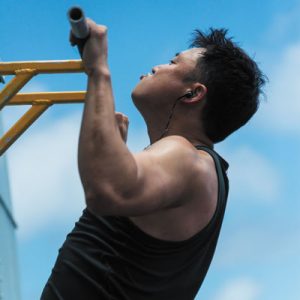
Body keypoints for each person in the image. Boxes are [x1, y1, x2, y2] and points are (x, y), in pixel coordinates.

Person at [41, 18, 265, 300]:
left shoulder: (187, 157)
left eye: (172, 63)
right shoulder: (196, 168)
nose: (157, 67)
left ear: (193, 93)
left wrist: (98, 70)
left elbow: (107, 189)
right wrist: (115, 152)